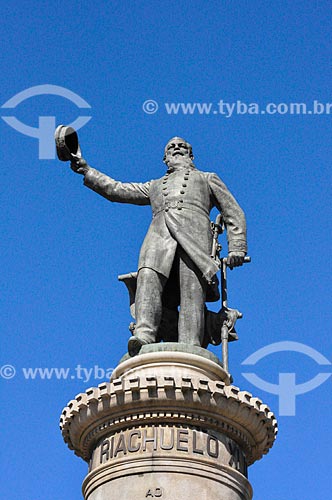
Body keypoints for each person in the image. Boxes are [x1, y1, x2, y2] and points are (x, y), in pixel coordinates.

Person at [70, 137, 247, 356]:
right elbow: (117, 190)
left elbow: (233, 212)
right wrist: (87, 170)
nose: (177, 148)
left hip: (195, 239)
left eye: (182, 147)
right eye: (171, 147)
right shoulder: (154, 186)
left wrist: (237, 247)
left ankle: (190, 345)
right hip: (159, 237)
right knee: (148, 278)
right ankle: (144, 336)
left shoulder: (207, 178)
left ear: (191, 156)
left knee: (192, 289)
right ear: (165, 159)